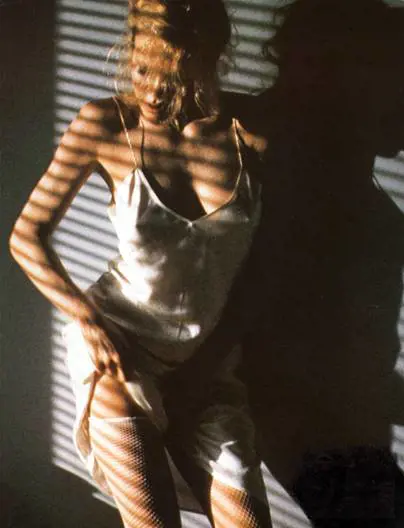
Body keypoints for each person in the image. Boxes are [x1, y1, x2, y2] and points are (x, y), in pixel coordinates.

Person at [9, 1, 271, 526]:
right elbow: (26, 236)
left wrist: (203, 368)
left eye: (172, 77)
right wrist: (88, 321)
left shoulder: (254, 133)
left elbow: (262, 272)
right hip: (121, 353)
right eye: (141, 69)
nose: (152, 91)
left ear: (212, 58)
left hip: (209, 366)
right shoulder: (105, 124)